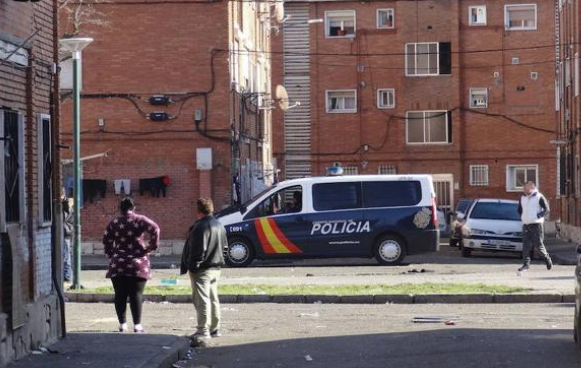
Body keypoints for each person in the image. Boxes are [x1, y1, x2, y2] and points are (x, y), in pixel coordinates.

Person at [102, 197, 160, 333]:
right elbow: (155, 229)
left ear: (120, 209)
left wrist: (112, 254)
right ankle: (137, 325)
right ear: (133, 207)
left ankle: (122, 324)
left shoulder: (114, 222)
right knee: (136, 294)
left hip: (118, 263)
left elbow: (106, 239)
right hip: (138, 263)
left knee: (120, 295)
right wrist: (151, 247)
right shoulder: (140, 220)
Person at [180, 198, 226, 341]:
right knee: (213, 299)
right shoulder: (220, 225)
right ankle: (215, 328)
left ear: (198, 210)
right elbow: (225, 248)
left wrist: (192, 267)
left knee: (202, 301)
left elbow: (197, 251)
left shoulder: (200, 227)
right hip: (216, 267)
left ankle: (203, 331)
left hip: (202, 270)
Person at [517, 181, 553, 272]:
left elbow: (546, 209)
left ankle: (547, 258)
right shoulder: (522, 198)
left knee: (538, 245)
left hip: (536, 224)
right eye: (523, 189)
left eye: (526, 189)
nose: (524, 191)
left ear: (532, 188)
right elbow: (520, 209)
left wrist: (537, 216)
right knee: (526, 245)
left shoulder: (538, 197)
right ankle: (526, 264)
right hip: (526, 225)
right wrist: (523, 217)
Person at [61, 188, 74, 285]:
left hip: (65, 233)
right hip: (61, 232)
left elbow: (68, 216)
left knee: (66, 256)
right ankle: (66, 276)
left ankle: (67, 276)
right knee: (64, 255)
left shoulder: (68, 204)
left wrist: (64, 201)